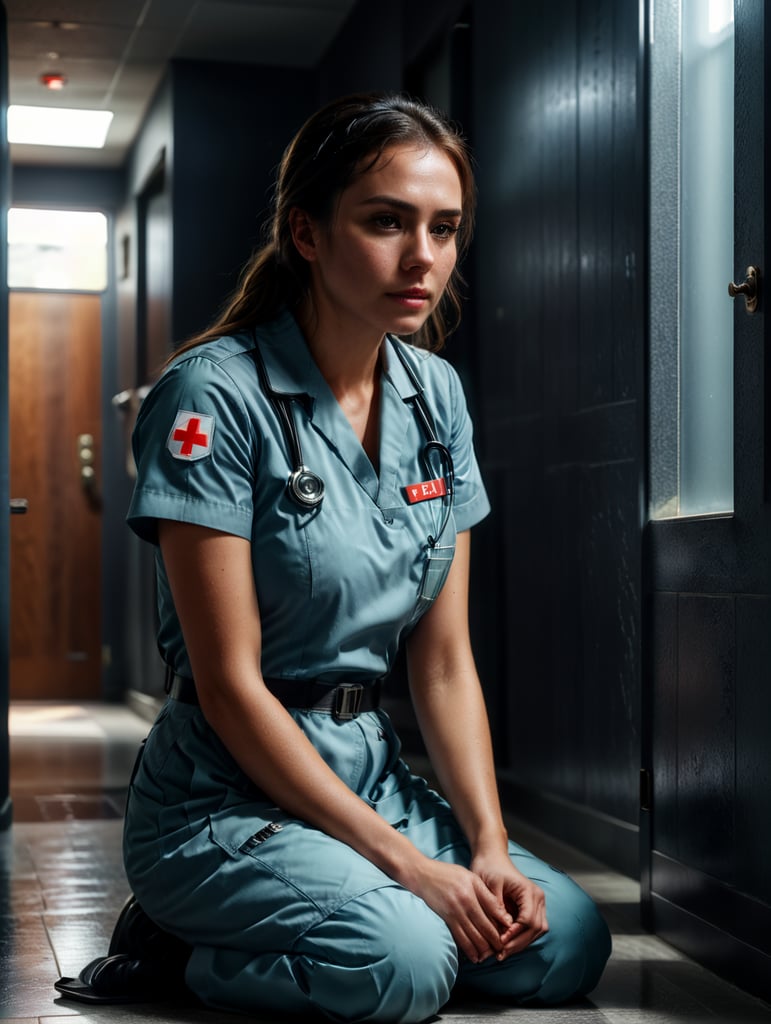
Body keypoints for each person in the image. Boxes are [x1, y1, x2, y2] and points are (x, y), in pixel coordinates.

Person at [59, 92, 611, 1022]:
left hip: (369, 775)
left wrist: (482, 847)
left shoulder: (437, 395)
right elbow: (230, 686)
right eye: (386, 221)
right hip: (223, 799)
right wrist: (409, 872)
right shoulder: (214, 396)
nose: (422, 257)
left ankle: (384, 910)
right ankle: (175, 950)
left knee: (562, 944)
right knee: (405, 963)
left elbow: (440, 665)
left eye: (444, 228)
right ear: (305, 233)